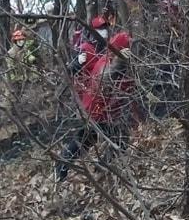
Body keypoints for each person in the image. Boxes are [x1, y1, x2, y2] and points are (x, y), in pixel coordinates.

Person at [56, 30, 135, 181]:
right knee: (119, 138)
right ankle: (101, 167)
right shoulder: (106, 63)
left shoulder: (109, 60)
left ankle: (65, 166)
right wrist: (121, 61)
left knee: (86, 139)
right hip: (97, 111)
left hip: (97, 110)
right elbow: (105, 78)